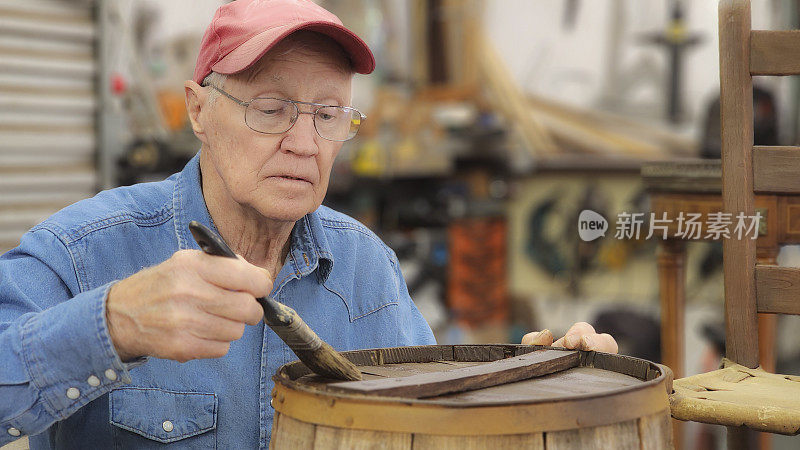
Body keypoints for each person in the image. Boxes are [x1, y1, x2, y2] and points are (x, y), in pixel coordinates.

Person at [0, 0, 617, 448]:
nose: (305, 142)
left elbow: (430, 420)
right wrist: (113, 323)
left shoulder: (365, 268)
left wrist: (529, 379)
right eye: (271, 108)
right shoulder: (87, 250)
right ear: (198, 110)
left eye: (328, 114)